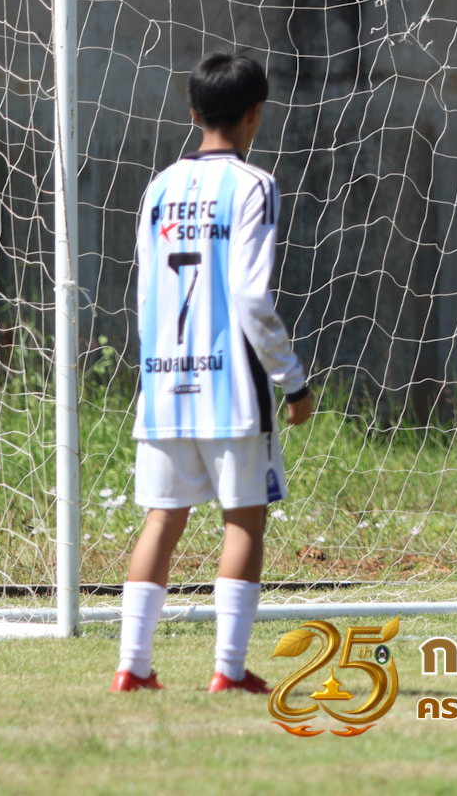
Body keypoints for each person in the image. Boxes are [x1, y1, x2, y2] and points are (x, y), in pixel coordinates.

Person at [113, 52, 314, 694]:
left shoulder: (159, 187)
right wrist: (292, 379)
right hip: (231, 389)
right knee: (243, 520)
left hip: (165, 383)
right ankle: (228, 669)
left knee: (162, 520)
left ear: (193, 111)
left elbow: (147, 290)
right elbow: (251, 296)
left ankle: (132, 666)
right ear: (256, 113)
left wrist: (154, 371)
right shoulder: (255, 185)